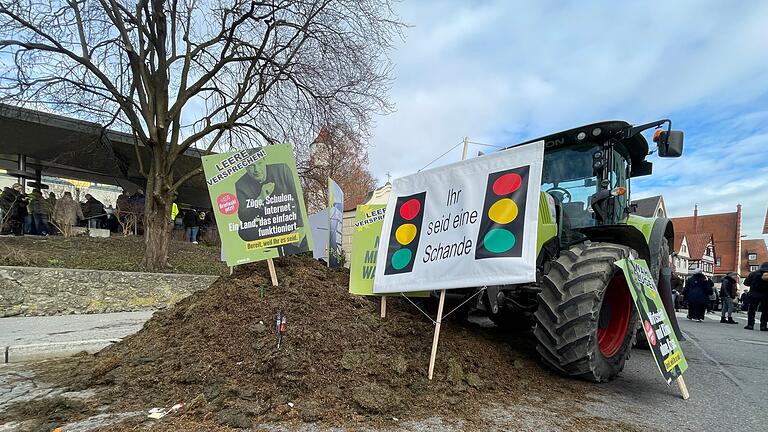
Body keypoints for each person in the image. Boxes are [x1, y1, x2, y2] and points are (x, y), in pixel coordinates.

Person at [235, 152, 308, 256]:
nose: (256, 170)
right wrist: (261, 198)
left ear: (265, 161)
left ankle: (290, 247)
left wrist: (301, 226)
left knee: (299, 247)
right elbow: (243, 217)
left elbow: (298, 198)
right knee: (243, 230)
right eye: (251, 166)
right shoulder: (241, 185)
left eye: (259, 163)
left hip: (290, 221)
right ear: (245, 167)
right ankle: (284, 242)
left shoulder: (282, 170)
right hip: (268, 226)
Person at [743, 262, 768, 331]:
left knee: (751, 310)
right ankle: (763, 326)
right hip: (766, 296)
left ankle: (750, 325)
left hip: (754, 295)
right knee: (765, 311)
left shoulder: (753, 273)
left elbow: (746, 283)